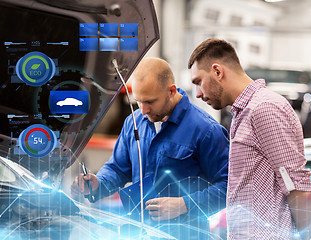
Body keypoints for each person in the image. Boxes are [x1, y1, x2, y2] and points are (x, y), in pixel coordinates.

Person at [71, 57, 229, 239]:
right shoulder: (134, 122)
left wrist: (184, 204)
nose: (143, 110)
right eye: (139, 101)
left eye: (150, 102)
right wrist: (98, 183)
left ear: (170, 91)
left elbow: (228, 189)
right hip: (141, 232)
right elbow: (118, 168)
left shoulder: (206, 130)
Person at [188, 39, 311, 240]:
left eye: (198, 82)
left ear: (217, 72)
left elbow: (299, 190)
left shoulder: (264, 109)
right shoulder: (244, 112)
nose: (197, 94)